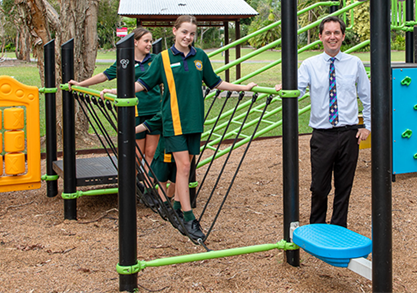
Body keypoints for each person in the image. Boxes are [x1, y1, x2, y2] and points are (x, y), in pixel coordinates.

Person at [104, 15, 256, 242]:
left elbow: (215, 82)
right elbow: (143, 84)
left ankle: (176, 206)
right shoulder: (163, 58)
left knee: (187, 165)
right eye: (184, 32)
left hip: (194, 122)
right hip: (172, 122)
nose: (188, 37)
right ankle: (188, 218)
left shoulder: (200, 56)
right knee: (184, 166)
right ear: (174, 31)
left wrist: (243, 86)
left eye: (192, 33)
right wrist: (118, 91)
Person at [277, 16, 371, 228]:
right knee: (319, 186)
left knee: (344, 185)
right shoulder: (310, 65)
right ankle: (317, 227)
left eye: (336, 33)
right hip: (323, 134)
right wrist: (285, 87)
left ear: (343, 36)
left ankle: (339, 227)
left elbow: (367, 96)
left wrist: (367, 126)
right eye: (328, 33)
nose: (332, 37)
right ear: (320, 37)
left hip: (349, 133)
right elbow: (298, 90)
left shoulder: (354, 63)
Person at [69, 27, 164, 199]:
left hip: (154, 110)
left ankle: (150, 191)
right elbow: (104, 76)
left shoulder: (156, 60)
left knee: (151, 152)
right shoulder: (125, 61)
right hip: (136, 111)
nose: (149, 44)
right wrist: (81, 84)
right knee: (137, 154)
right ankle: (132, 188)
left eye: (151, 41)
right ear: (135, 42)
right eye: (146, 41)